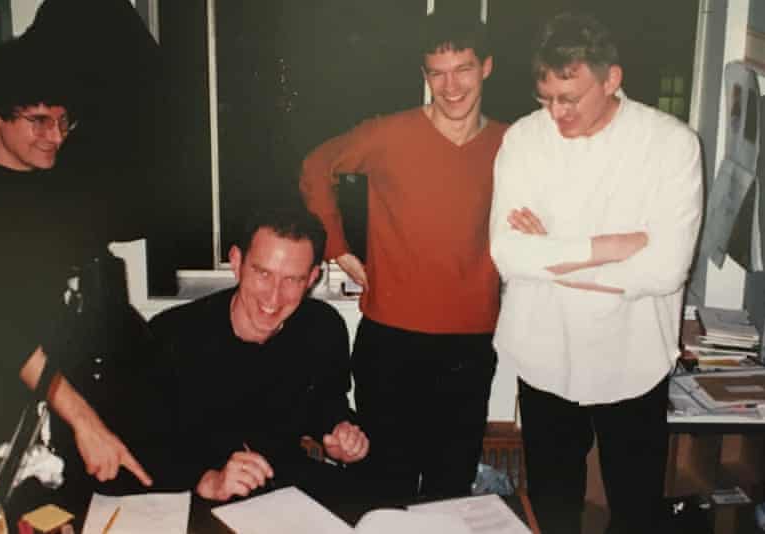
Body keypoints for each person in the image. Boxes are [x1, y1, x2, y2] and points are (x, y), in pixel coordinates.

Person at [489, 12, 703, 534]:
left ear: (612, 79)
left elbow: (665, 269)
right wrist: (612, 245)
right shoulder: (523, 139)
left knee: (634, 510)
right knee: (553, 507)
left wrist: (552, 255)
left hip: (633, 358)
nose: (556, 113)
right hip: (545, 351)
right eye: (546, 98)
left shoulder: (671, 145)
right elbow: (507, 254)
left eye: (571, 98)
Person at [0, 38, 152, 496]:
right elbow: (3, 332)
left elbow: (90, 287)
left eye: (64, 120)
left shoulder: (60, 182)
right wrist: (85, 421)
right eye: (38, 121)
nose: (57, 136)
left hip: (67, 399)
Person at [299, 11, 506, 498]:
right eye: (437, 72)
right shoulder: (387, 134)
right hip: (391, 343)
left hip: (469, 344)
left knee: (450, 487)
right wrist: (338, 249)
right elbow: (315, 167)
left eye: (464, 69)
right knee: (382, 485)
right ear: (424, 74)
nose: (450, 86)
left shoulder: (509, 143)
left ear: (487, 68)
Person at [147, 207, 369, 502]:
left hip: (285, 492)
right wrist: (207, 481)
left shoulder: (322, 327)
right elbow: (143, 446)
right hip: (195, 495)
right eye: (263, 273)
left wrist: (341, 436)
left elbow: (328, 405)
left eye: (292, 280)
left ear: (313, 277)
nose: (274, 297)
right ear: (236, 262)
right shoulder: (171, 335)